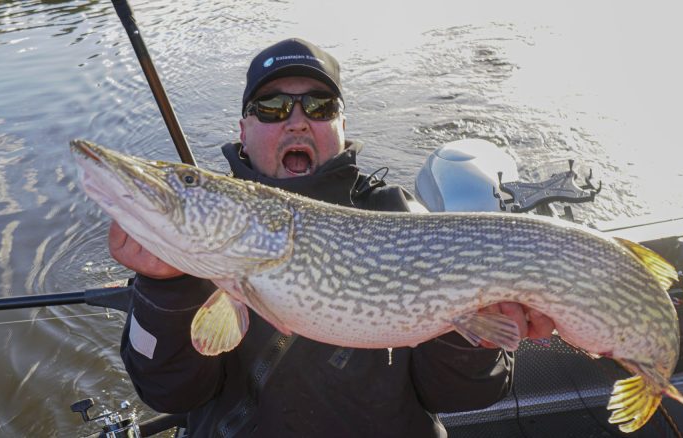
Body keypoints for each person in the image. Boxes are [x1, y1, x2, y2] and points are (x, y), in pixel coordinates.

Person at [113, 38, 555, 437]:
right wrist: (163, 290)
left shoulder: (398, 217)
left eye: (320, 106)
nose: (297, 122)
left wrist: (470, 338)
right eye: (272, 107)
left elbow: (465, 395)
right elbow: (168, 393)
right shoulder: (207, 224)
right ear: (243, 131)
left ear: (343, 126)